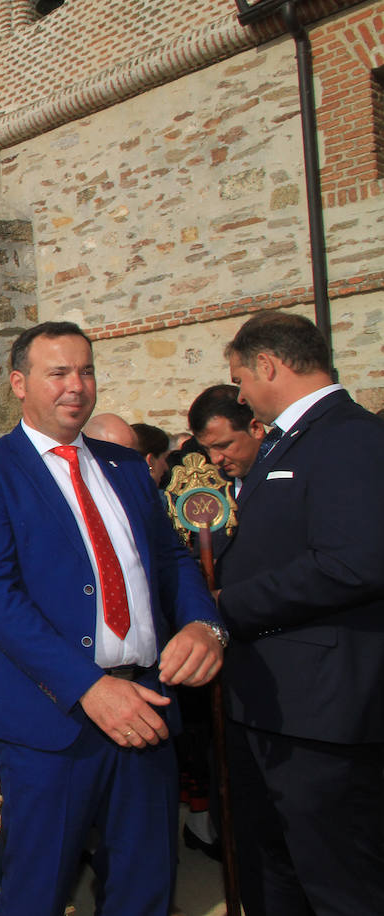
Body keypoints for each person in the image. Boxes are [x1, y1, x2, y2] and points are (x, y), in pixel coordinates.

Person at [0, 321, 224, 915]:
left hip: (146, 706)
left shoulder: (125, 467)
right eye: (59, 373)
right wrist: (89, 688)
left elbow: (172, 559)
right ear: (19, 383)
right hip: (52, 718)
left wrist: (204, 624)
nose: (77, 386)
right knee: (39, 890)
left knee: (146, 884)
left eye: (86, 371)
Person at [216, 311, 384, 914]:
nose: (239, 394)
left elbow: (354, 562)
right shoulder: (290, 440)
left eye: (240, 377)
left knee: (339, 880)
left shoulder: (348, 437)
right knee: (276, 869)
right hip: (276, 703)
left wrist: (227, 605)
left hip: (324, 713)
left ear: (269, 365)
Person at [188, 383, 267, 498]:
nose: (215, 459)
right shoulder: (210, 493)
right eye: (206, 449)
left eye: (223, 446)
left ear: (256, 429)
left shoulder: (295, 479)